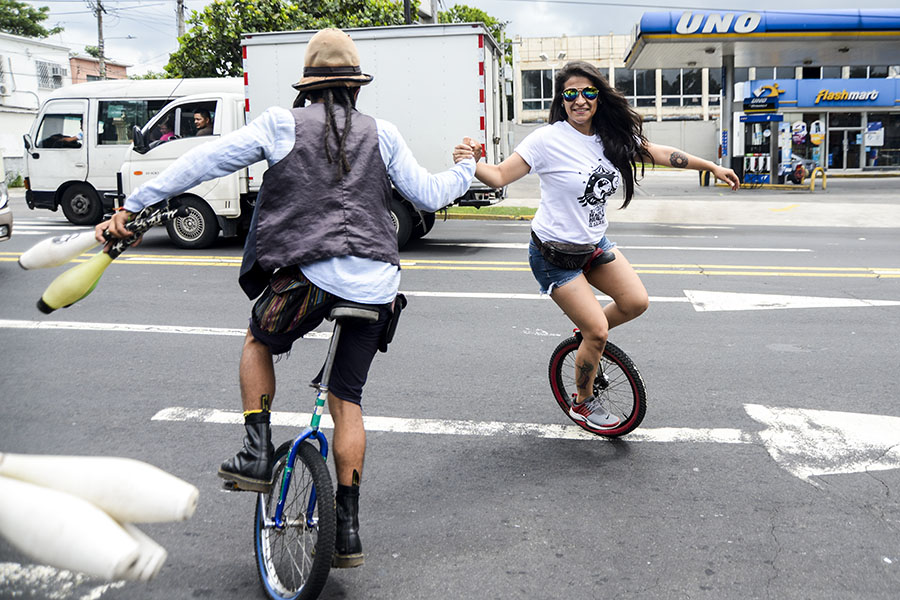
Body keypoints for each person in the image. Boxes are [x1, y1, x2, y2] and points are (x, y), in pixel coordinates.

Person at [94, 28, 477, 568]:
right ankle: (346, 532)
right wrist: (464, 163)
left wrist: (135, 204)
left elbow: (203, 162)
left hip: (310, 279)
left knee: (257, 340)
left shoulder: (280, 123)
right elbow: (431, 193)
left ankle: (255, 452)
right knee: (348, 402)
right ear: (356, 88)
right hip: (377, 286)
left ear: (309, 87)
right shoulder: (382, 132)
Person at [466, 61, 739, 429]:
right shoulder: (547, 140)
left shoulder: (610, 138)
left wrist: (710, 166)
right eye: (571, 94)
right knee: (598, 331)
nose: (580, 100)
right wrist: (472, 163)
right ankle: (582, 401)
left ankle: (584, 336)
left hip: (593, 246)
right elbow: (499, 174)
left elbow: (659, 153)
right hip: (554, 256)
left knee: (635, 302)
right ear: (561, 100)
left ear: (599, 96)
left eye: (588, 92)